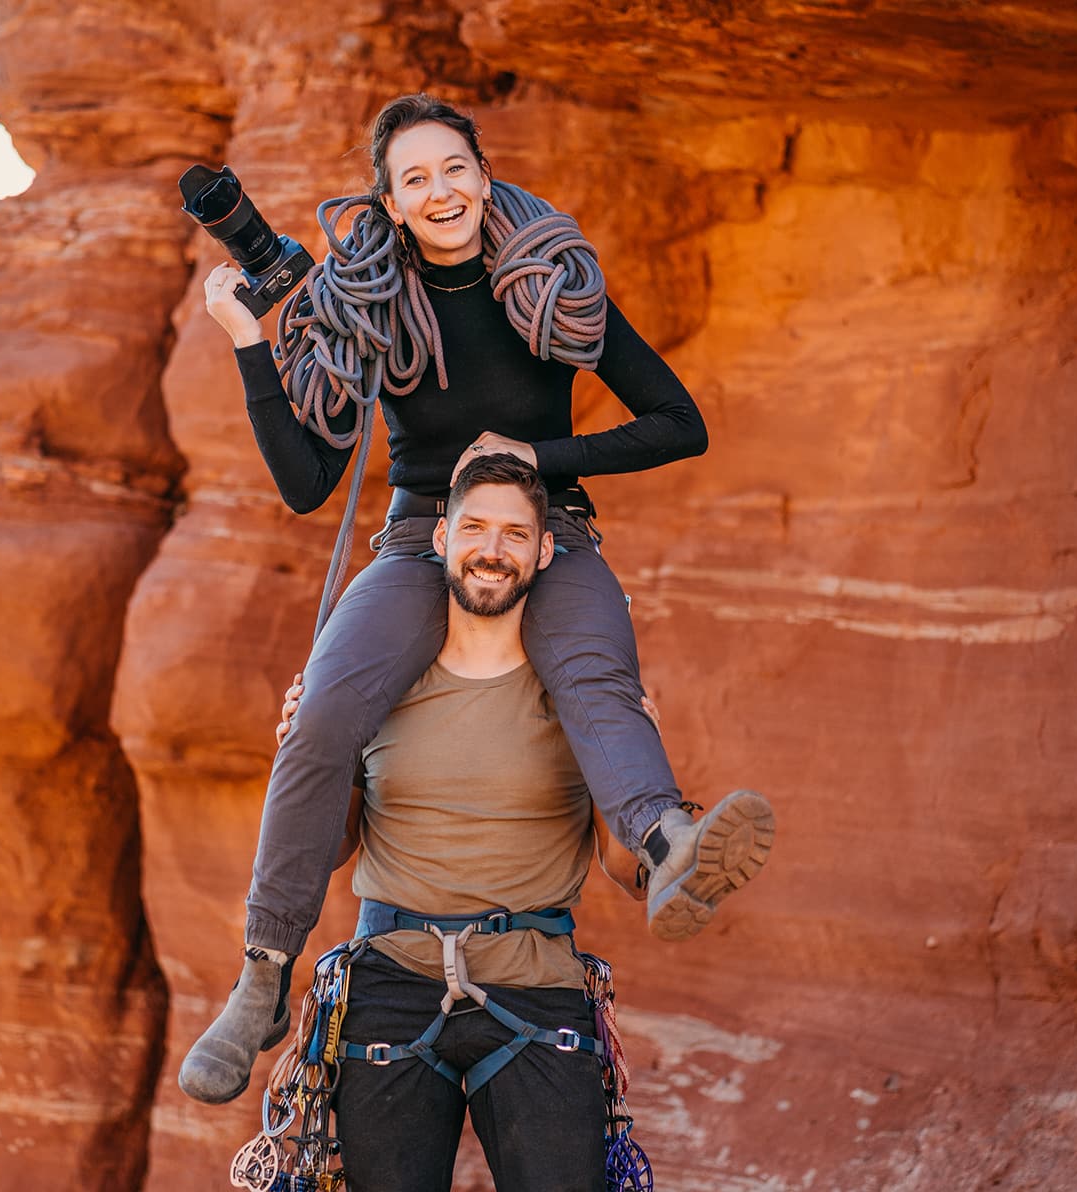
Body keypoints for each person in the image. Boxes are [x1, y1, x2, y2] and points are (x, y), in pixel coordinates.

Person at [179, 93, 775, 1106]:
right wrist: (245, 337)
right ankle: (263, 973)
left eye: (453, 168)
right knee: (321, 710)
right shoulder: (366, 297)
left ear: (482, 176)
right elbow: (303, 483)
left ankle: (668, 844)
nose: (439, 190)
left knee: (592, 671)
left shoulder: (546, 279)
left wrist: (531, 455)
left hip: (548, 524)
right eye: (414, 178)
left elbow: (679, 422)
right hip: (423, 531)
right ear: (392, 202)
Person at [231, 455, 765, 1191]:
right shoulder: (373, 686)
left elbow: (618, 870)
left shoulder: (585, 703)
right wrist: (309, 745)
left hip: (535, 981)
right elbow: (336, 847)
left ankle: (680, 847)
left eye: (516, 534)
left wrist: (640, 765)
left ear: (545, 552)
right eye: (476, 528)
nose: (493, 549)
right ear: (442, 538)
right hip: (390, 978)